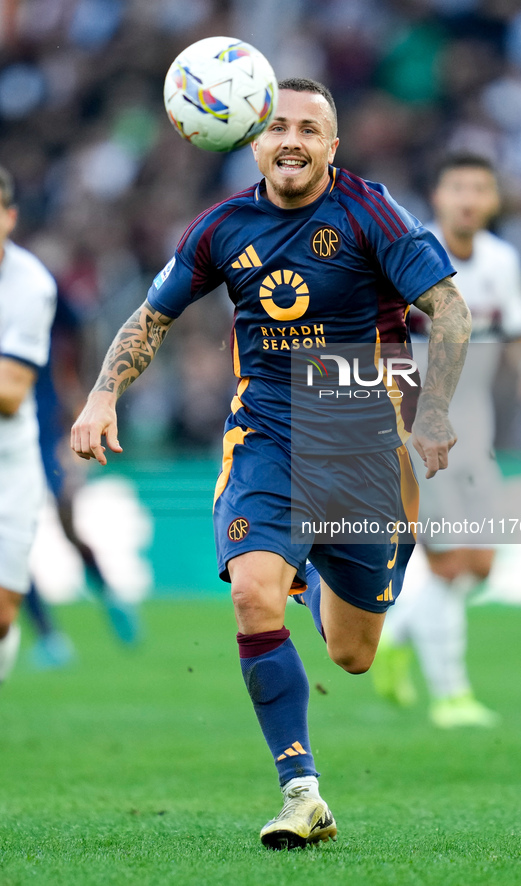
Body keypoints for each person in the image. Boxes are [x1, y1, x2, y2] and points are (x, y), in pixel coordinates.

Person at [71, 79, 471, 849]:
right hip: (267, 434)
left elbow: (448, 309)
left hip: (359, 440)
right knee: (254, 594)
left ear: (332, 146)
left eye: (309, 129)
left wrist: (436, 409)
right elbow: (152, 315)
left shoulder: (370, 212)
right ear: (251, 139)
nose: (291, 139)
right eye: (277, 126)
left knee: (352, 655)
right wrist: (101, 395)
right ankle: (301, 790)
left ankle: (314, 567)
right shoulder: (224, 225)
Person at [373, 152, 521, 728]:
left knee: (480, 564)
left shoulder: (502, 260)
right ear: (438, 198)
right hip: (419, 430)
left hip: (477, 431)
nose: (470, 198)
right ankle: (451, 696)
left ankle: (395, 635)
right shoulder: (411, 255)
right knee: (450, 564)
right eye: (458, 188)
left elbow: (520, 324)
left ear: (494, 200)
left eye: (480, 188)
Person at [24, 293, 140, 670]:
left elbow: (79, 335)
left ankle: (110, 597)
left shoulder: (35, 294)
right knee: (10, 543)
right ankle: (49, 637)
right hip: (11, 442)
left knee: (67, 526)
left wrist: (83, 405)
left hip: (47, 435)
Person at [0, 165, 57, 687]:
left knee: (1, 615)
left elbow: (10, 393)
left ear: (9, 217)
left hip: (8, 461)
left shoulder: (30, 285)